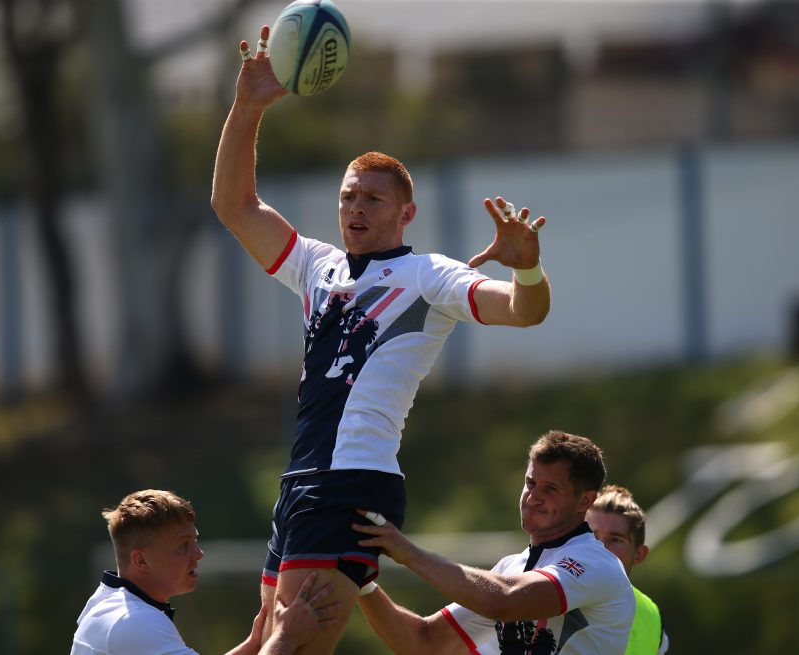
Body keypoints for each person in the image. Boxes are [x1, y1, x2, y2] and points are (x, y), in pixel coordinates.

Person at [210, 24, 551, 653]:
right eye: (347, 197)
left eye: (371, 197)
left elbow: (523, 311)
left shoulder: (429, 276)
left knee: (295, 647)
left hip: (350, 482)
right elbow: (233, 204)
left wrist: (526, 266)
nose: (355, 208)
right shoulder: (318, 265)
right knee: (263, 644)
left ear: (406, 213)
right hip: (301, 481)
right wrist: (249, 106)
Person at [353, 430, 635, 654]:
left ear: (585, 501)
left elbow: (503, 600)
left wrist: (407, 552)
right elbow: (424, 643)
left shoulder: (596, 563)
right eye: (530, 483)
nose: (532, 497)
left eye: (550, 489)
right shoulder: (510, 568)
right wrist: (361, 579)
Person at [70, 489, 338, 655]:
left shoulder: (110, 603)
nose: (198, 553)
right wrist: (285, 638)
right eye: (183, 545)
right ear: (141, 561)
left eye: (195, 541)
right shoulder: (135, 623)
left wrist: (252, 647)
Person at [586, 485, 670, 655]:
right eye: (591, 536)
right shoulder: (544, 596)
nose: (600, 547)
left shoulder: (652, 617)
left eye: (615, 539)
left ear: (639, 554)